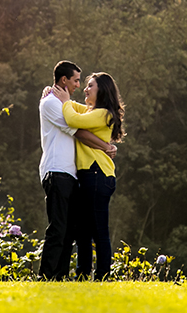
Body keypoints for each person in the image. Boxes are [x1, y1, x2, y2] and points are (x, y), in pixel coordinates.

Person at [38, 60, 115, 280]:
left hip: (82, 174)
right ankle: (49, 275)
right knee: (63, 228)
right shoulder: (52, 103)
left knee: (75, 229)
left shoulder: (98, 112)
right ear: (64, 80)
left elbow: (76, 117)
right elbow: (77, 128)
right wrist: (106, 146)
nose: (80, 86)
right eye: (77, 81)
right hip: (59, 171)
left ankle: (65, 276)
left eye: (88, 84)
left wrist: (66, 101)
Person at [59, 71, 124, 280]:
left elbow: (71, 118)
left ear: (101, 91)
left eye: (90, 86)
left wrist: (65, 100)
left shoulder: (103, 113)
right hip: (89, 175)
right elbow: (77, 109)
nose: (85, 89)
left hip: (98, 174)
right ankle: (83, 275)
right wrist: (60, 97)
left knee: (98, 231)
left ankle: (104, 276)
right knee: (83, 231)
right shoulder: (93, 111)